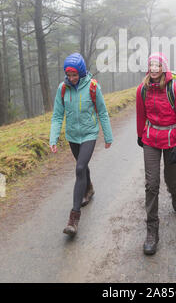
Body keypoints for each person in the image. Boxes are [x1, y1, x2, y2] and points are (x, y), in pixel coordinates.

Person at [49, 53, 113, 237]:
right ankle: (89, 188)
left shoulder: (93, 87)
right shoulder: (63, 89)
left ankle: (74, 219)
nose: (71, 78)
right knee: (82, 167)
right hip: (72, 136)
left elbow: (102, 111)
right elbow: (57, 116)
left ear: (82, 72)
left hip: (89, 134)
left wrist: (107, 136)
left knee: (80, 168)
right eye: (68, 75)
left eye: (75, 74)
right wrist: (53, 138)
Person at [136, 52, 176, 255]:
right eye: (150, 65)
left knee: (170, 179)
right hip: (151, 139)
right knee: (151, 185)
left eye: (157, 65)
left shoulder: (174, 88)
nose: (153, 69)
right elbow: (141, 115)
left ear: (164, 68)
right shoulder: (142, 89)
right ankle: (152, 232)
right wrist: (140, 135)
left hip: (171, 141)